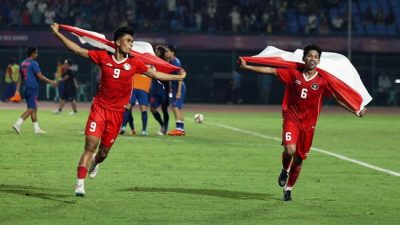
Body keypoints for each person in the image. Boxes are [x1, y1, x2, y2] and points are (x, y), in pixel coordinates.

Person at [50, 23, 186, 197]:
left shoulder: (135, 63)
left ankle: (95, 163)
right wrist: (57, 34)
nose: (131, 44)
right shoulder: (102, 56)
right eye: (128, 41)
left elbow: (157, 75)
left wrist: (178, 75)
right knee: (90, 145)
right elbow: (77, 49)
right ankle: (79, 184)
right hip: (99, 108)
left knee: (103, 153)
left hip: (116, 113)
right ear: (117, 42)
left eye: (132, 41)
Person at [239, 43, 367, 201]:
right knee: (290, 150)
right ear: (304, 58)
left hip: (309, 125)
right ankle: (284, 169)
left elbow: (337, 98)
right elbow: (272, 70)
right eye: (310, 56)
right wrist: (247, 66)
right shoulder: (293, 73)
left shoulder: (322, 80)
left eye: (315, 57)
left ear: (319, 61)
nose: (312, 59)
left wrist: (355, 110)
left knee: (299, 159)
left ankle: (288, 189)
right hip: (291, 119)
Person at [12, 46, 57, 134]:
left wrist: (17, 90)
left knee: (34, 108)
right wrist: (51, 81)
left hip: (26, 88)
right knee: (31, 108)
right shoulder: (34, 63)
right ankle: (17, 124)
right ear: (33, 53)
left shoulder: (23, 63)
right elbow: (40, 76)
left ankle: (37, 129)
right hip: (33, 88)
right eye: (36, 52)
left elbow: (19, 78)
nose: (37, 54)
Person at [165, 46, 187, 136]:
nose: (166, 53)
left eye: (167, 51)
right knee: (179, 108)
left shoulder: (176, 62)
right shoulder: (171, 61)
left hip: (179, 87)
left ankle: (178, 129)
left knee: (175, 107)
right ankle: (181, 129)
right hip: (175, 87)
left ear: (172, 52)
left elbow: (180, 78)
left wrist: (178, 91)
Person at [150, 45, 170, 135]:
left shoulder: (166, 62)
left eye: (157, 51)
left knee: (164, 109)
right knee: (153, 109)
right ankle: (162, 125)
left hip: (163, 89)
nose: (156, 52)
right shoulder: (153, 61)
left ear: (161, 53)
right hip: (154, 89)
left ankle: (165, 128)